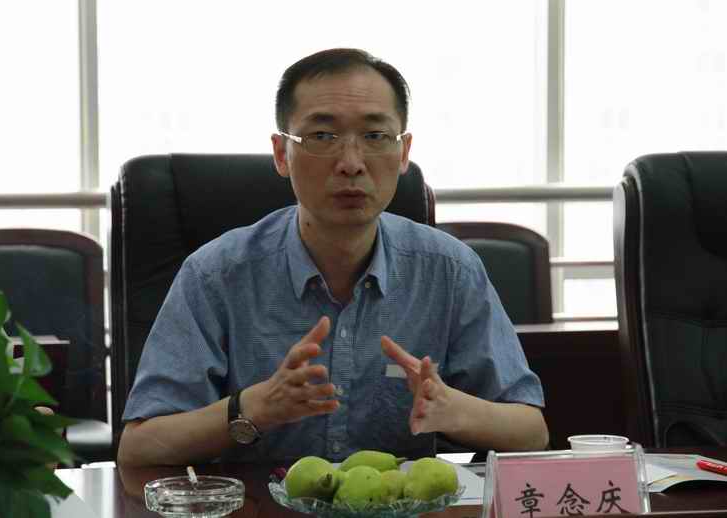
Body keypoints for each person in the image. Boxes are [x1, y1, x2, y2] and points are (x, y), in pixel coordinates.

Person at [117, 48, 548, 467]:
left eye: (375, 136)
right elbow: (139, 447)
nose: (351, 163)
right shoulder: (215, 274)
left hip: (399, 503)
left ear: (403, 152)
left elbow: (531, 432)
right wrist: (252, 408)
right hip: (258, 504)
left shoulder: (449, 269)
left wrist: (454, 410)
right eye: (322, 136)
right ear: (281, 154)